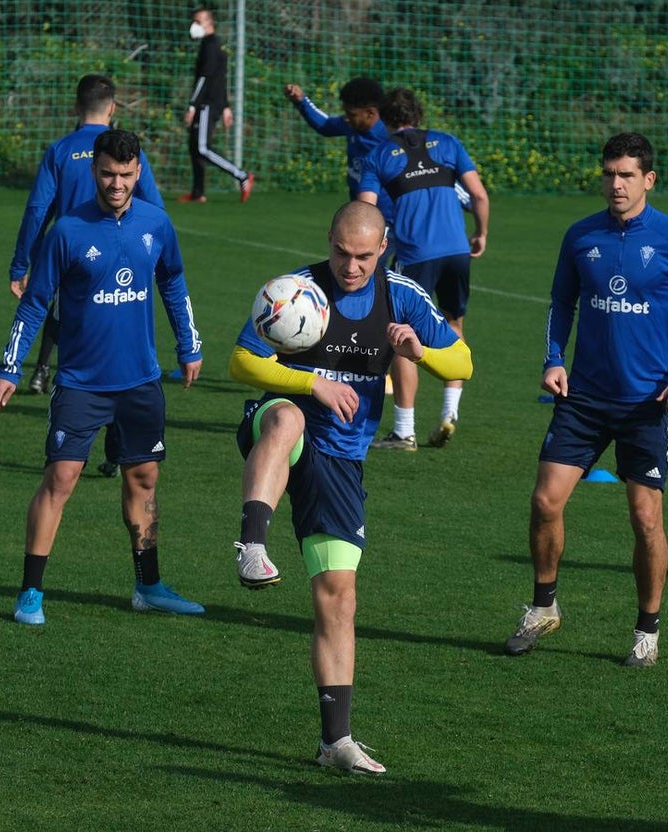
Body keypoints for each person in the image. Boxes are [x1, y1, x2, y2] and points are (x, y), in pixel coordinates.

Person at [230, 202, 472, 774]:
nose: (351, 265)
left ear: (383, 246)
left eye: (364, 255)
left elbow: (464, 360)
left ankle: (334, 742)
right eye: (341, 251)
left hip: (340, 460)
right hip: (281, 422)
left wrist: (421, 351)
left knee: (338, 597)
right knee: (286, 419)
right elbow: (242, 362)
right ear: (329, 239)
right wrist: (310, 383)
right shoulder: (292, 290)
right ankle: (252, 544)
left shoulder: (403, 295)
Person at [504, 132, 668, 668]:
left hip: (647, 404)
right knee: (544, 502)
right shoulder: (581, 235)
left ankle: (646, 631)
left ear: (648, 179)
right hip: (583, 397)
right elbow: (562, 300)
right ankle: (543, 608)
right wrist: (553, 359)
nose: (615, 183)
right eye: (609, 173)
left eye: (627, 175)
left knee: (645, 519)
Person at [0, 129, 205, 626]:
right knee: (60, 478)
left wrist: (188, 343)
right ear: (93, 170)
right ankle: (30, 592)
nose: (116, 183)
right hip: (81, 382)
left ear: (139, 172)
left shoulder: (157, 222)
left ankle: (148, 585)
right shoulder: (67, 230)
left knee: (143, 478)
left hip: (140, 381)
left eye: (126, 175)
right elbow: (36, 302)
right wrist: (10, 365)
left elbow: (172, 281)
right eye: (107, 173)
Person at [9, 73, 164, 398]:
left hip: (70, 249)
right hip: (123, 248)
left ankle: (44, 371)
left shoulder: (60, 150)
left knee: (61, 306)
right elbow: (155, 207)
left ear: (77, 106)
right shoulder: (128, 153)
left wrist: (21, 264)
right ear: (113, 107)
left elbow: (37, 210)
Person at [357, 87, 489, 451]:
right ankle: (450, 413)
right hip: (457, 251)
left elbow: (366, 208)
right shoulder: (448, 143)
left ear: (385, 120)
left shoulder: (379, 153)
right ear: (419, 114)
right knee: (454, 325)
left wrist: (366, 252)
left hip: (415, 256)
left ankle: (404, 430)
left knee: (401, 334)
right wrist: (480, 233)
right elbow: (478, 195)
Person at [283, 78, 394, 226]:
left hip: (388, 219)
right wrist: (301, 101)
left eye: (352, 114)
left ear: (371, 113)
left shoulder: (389, 137)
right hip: (359, 212)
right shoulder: (352, 125)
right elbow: (325, 125)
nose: (346, 119)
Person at [179, 7, 253, 204]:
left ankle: (242, 176)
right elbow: (220, 78)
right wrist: (227, 106)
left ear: (209, 23)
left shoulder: (211, 46)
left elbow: (205, 79)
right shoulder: (210, 44)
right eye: (193, 21)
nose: (194, 26)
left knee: (202, 148)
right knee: (194, 147)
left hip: (207, 105)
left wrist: (193, 106)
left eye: (198, 21)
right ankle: (197, 193)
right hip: (212, 103)